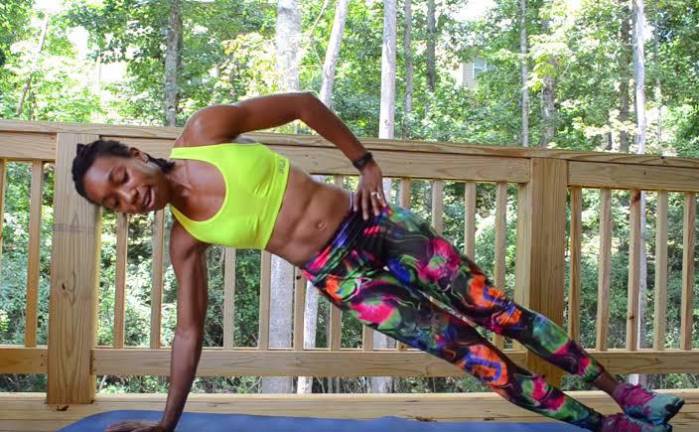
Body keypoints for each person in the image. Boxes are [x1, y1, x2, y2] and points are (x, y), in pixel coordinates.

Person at [71, 92, 683, 432]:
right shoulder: (186, 238)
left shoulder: (206, 130)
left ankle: (623, 394)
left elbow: (304, 106)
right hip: (345, 278)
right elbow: (188, 333)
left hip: (378, 226)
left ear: (132, 154)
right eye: (114, 202)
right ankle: (604, 428)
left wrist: (364, 162)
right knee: (475, 356)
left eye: (120, 177)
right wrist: (165, 425)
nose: (128, 197)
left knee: (498, 311)